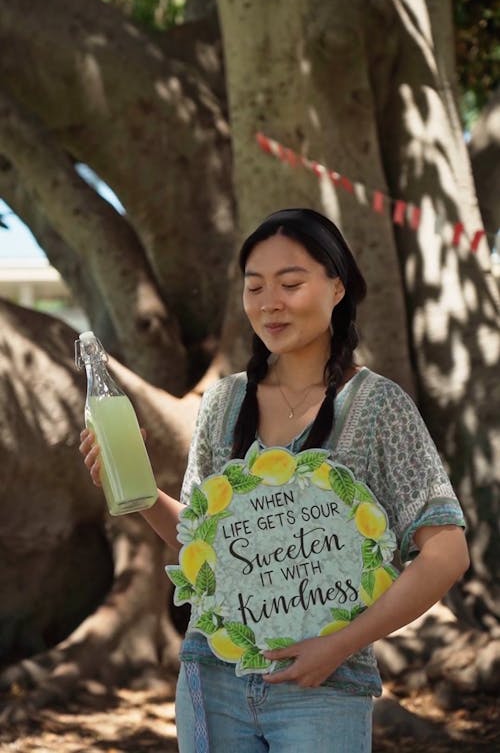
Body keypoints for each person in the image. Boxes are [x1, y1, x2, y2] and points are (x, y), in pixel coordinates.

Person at [80, 207, 469, 753]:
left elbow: (446, 554)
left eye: (290, 283)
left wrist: (338, 646)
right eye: (255, 286)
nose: (270, 302)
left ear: (337, 288)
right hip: (211, 680)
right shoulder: (223, 404)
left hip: (325, 689)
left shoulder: (379, 406)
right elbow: (201, 545)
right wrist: (135, 487)